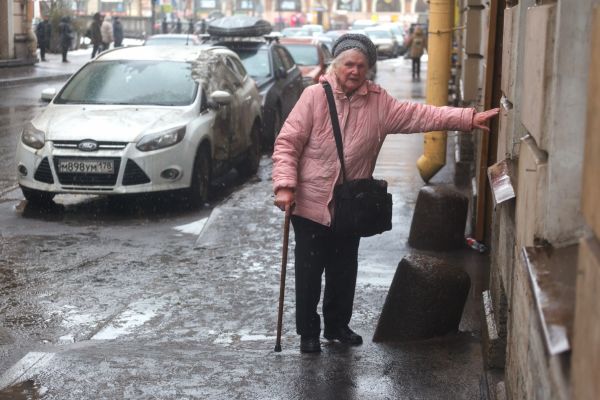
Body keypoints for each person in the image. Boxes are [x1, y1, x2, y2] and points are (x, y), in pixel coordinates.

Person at [272, 33, 499, 354]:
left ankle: (337, 326)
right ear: (336, 64)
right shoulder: (314, 97)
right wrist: (284, 185)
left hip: (350, 204)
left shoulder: (379, 102)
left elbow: (421, 116)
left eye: (361, 65)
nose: (354, 70)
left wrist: (466, 118)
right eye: (348, 64)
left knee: (343, 269)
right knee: (309, 272)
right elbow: (287, 143)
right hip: (309, 202)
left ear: (368, 69)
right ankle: (308, 332)